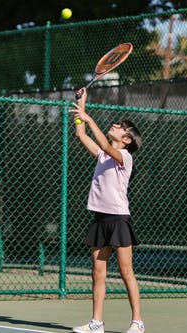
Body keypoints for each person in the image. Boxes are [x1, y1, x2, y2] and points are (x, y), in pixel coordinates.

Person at [69, 87, 144, 333]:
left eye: (121, 126)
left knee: (126, 272)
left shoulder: (124, 156)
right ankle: (96, 323)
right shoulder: (103, 156)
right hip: (100, 219)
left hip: (119, 220)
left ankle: (137, 322)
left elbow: (103, 143)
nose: (116, 124)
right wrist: (81, 105)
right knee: (97, 272)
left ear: (127, 139)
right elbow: (81, 134)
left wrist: (89, 117)